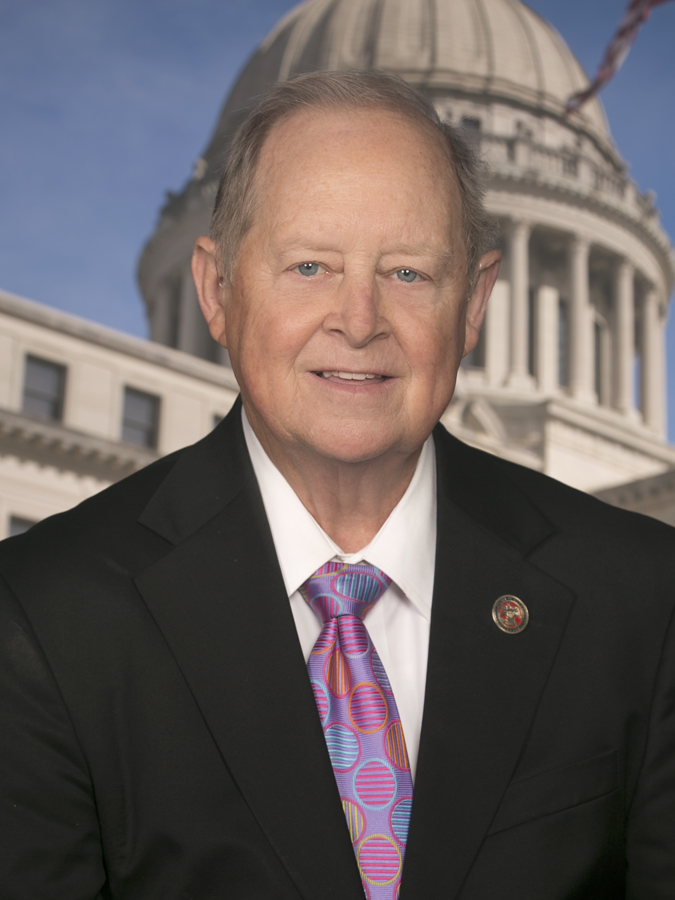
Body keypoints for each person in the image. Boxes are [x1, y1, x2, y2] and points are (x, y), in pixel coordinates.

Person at [1, 71, 674, 900]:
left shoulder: (643, 596)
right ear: (217, 290)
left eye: (408, 273)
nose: (357, 321)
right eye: (310, 265)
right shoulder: (39, 614)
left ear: (473, 303)